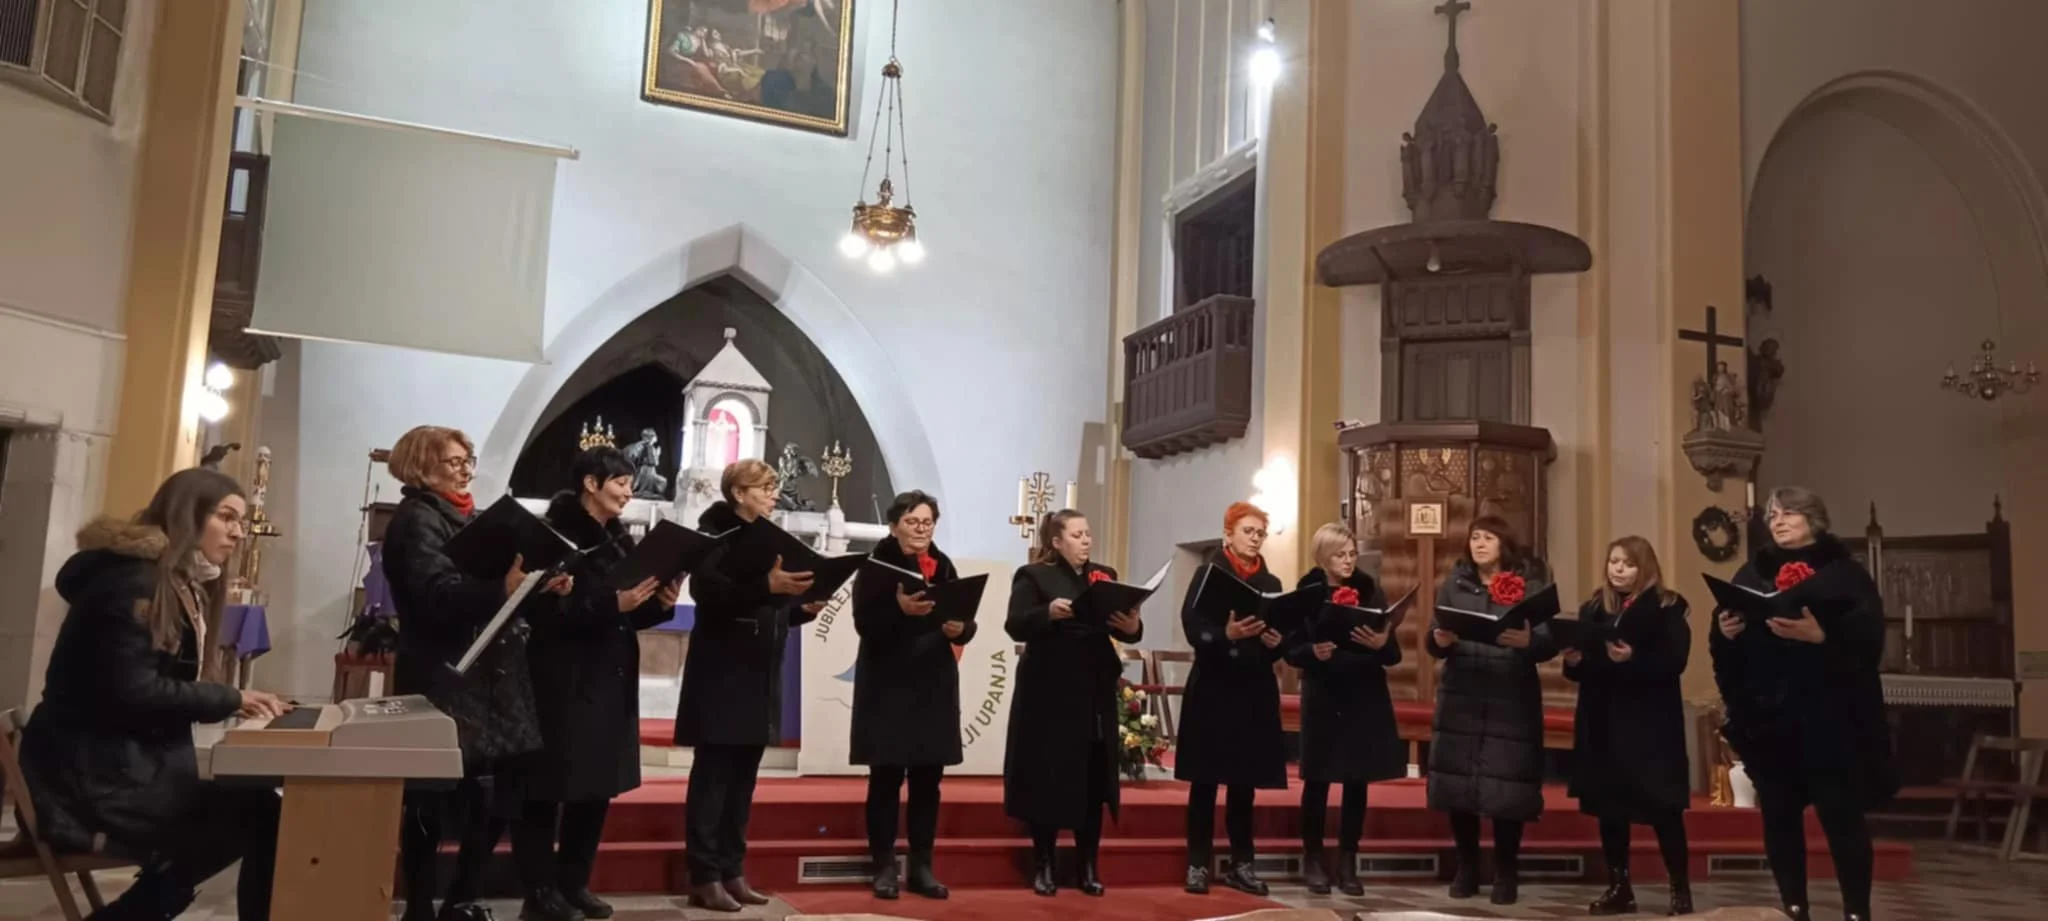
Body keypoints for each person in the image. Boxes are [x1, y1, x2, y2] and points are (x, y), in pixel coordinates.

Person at [17, 468, 289, 921]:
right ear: (188, 514)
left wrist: (231, 698)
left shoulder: (165, 578)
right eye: (226, 517)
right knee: (258, 813)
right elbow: (132, 691)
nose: (239, 533)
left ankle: (135, 910)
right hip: (91, 781)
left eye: (240, 521)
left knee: (259, 807)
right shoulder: (135, 583)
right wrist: (230, 699)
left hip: (117, 766)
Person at [382, 425, 572, 921]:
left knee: (497, 791)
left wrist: (536, 586)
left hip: (492, 676)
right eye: (454, 462)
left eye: (468, 461)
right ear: (421, 467)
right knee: (430, 792)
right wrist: (502, 588)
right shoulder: (417, 521)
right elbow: (436, 596)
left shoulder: (472, 518)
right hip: (445, 674)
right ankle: (420, 908)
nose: (466, 471)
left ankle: (461, 898)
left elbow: (493, 591)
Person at [1711, 487, 1896, 921]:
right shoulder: (1752, 573)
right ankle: (1793, 907)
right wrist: (1726, 632)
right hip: (1771, 718)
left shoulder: (1845, 573)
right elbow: (1723, 642)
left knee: (1841, 817)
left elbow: (1869, 637)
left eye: (1789, 513)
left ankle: (1856, 911)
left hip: (1832, 717)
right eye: (1773, 515)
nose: (1778, 521)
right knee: (1779, 817)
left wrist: (1822, 636)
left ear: (1814, 519)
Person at [512, 447, 682, 921]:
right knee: (548, 788)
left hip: (609, 677)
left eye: (630, 483)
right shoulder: (554, 536)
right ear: (591, 483)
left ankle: (574, 884)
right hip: (563, 677)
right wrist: (613, 605)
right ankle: (539, 891)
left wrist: (659, 603)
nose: (629, 491)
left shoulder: (620, 542)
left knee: (594, 788)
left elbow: (629, 615)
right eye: (621, 482)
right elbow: (543, 613)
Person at [674, 458, 826, 912]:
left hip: (758, 672)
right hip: (722, 673)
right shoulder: (713, 534)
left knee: (743, 782)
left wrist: (800, 609)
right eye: (764, 487)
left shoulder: (769, 537)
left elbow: (765, 606)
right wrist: (767, 585)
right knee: (714, 779)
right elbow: (709, 595)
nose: (774, 494)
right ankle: (704, 876)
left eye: (775, 486)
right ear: (738, 493)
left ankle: (732, 870)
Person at [1003, 510, 1145, 897]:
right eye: (1077, 534)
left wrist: (1132, 627)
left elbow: (1128, 628)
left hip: (1094, 688)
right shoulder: (1033, 576)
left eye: (1088, 534)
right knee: (1048, 777)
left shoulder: (1104, 576)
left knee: (1092, 778)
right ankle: (1044, 864)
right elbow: (1015, 623)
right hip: (1049, 689)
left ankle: (1087, 866)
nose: (1086, 540)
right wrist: (1046, 612)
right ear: (1056, 541)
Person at [1425, 514, 1556, 906]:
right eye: (1475, 538)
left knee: (1506, 789)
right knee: (1460, 785)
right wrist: (1440, 639)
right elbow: (1434, 637)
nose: (1479, 544)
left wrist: (1528, 642)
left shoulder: (1529, 585)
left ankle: (1506, 871)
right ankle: (1466, 867)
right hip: (1462, 694)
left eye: (1488, 538)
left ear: (1504, 544)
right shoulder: (1455, 583)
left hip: (1510, 695)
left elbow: (1547, 641)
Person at [850, 490, 975, 900]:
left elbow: (965, 617)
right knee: (885, 779)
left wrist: (962, 629)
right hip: (887, 682)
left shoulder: (944, 564)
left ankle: (922, 866)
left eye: (927, 522)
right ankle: (884, 866)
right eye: (912, 522)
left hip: (932, 682)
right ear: (893, 525)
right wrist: (898, 611)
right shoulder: (875, 565)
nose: (921, 529)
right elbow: (864, 624)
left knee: (927, 781)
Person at [1563, 537, 1694, 916]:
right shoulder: (1594, 607)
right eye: (1613, 561)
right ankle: (1619, 887)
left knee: (1664, 809)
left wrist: (1633, 658)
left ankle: (1680, 889)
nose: (1618, 569)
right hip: (1603, 721)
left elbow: (1675, 661)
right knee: (1611, 809)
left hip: (1650, 724)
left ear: (1645, 568)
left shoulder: (1667, 606)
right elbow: (1582, 671)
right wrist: (1574, 660)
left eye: (1628, 563)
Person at [1285, 523, 1406, 897]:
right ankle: (1313, 858)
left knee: (1357, 779)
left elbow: (1393, 654)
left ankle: (1348, 859)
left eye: (1352, 553)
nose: (1348, 561)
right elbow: (1291, 649)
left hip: (1363, 691)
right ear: (1323, 557)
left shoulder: (1370, 590)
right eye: (1340, 554)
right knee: (1318, 779)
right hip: (1324, 692)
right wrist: (1312, 652)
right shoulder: (1307, 591)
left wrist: (1382, 642)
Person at [1175, 502, 1287, 896]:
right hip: (1213, 686)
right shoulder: (1209, 573)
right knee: (1205, 781)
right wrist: (1227, 635)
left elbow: (1279, 638)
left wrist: (1276, 642)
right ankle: (1197, 864)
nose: (1255, 539)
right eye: (1247, 531)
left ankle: (1242, 864)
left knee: (1244, 783)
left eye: (1260, 533)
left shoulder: (1271, 582)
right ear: (1228, 534)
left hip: (1253, 689)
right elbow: (1192, 625)